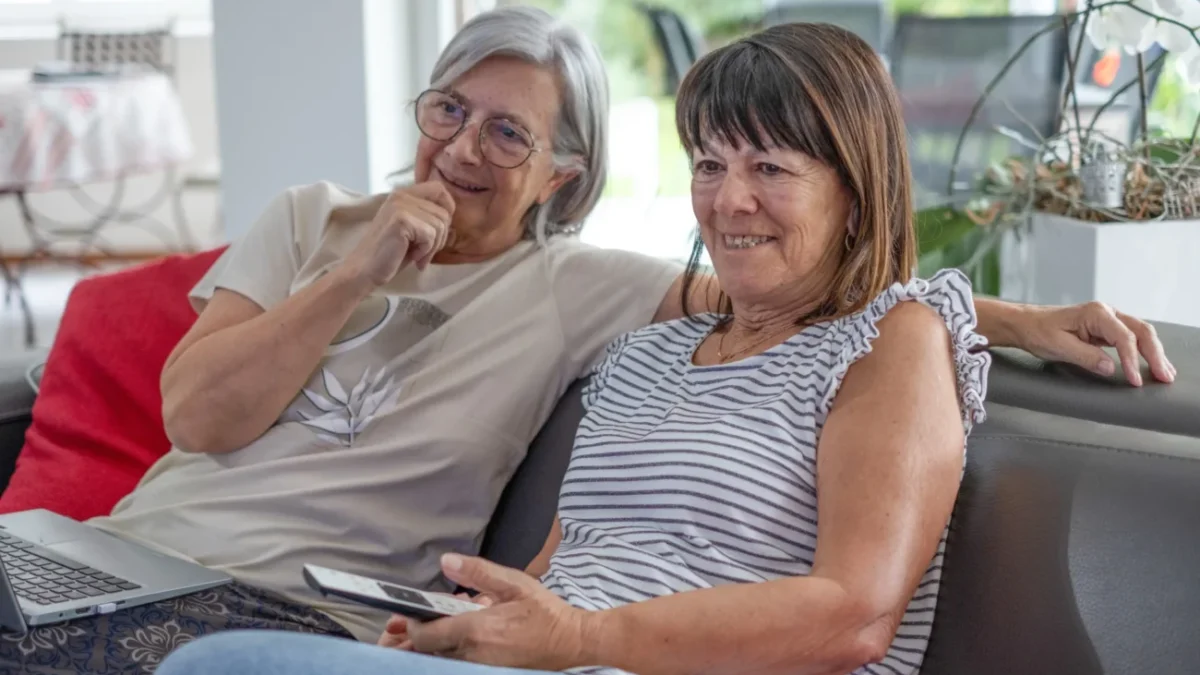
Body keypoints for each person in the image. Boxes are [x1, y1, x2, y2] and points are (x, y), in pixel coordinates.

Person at [1, 7, 1174, 675]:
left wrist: (991, 312)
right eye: (711, 165)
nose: (729, 199)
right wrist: (480, 636)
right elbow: (560, 566)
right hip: (529, 661)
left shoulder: (893, 335)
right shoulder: (650, 349)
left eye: (770, 166)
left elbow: (854, 613)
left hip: (610, 663)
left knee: (219, 670)